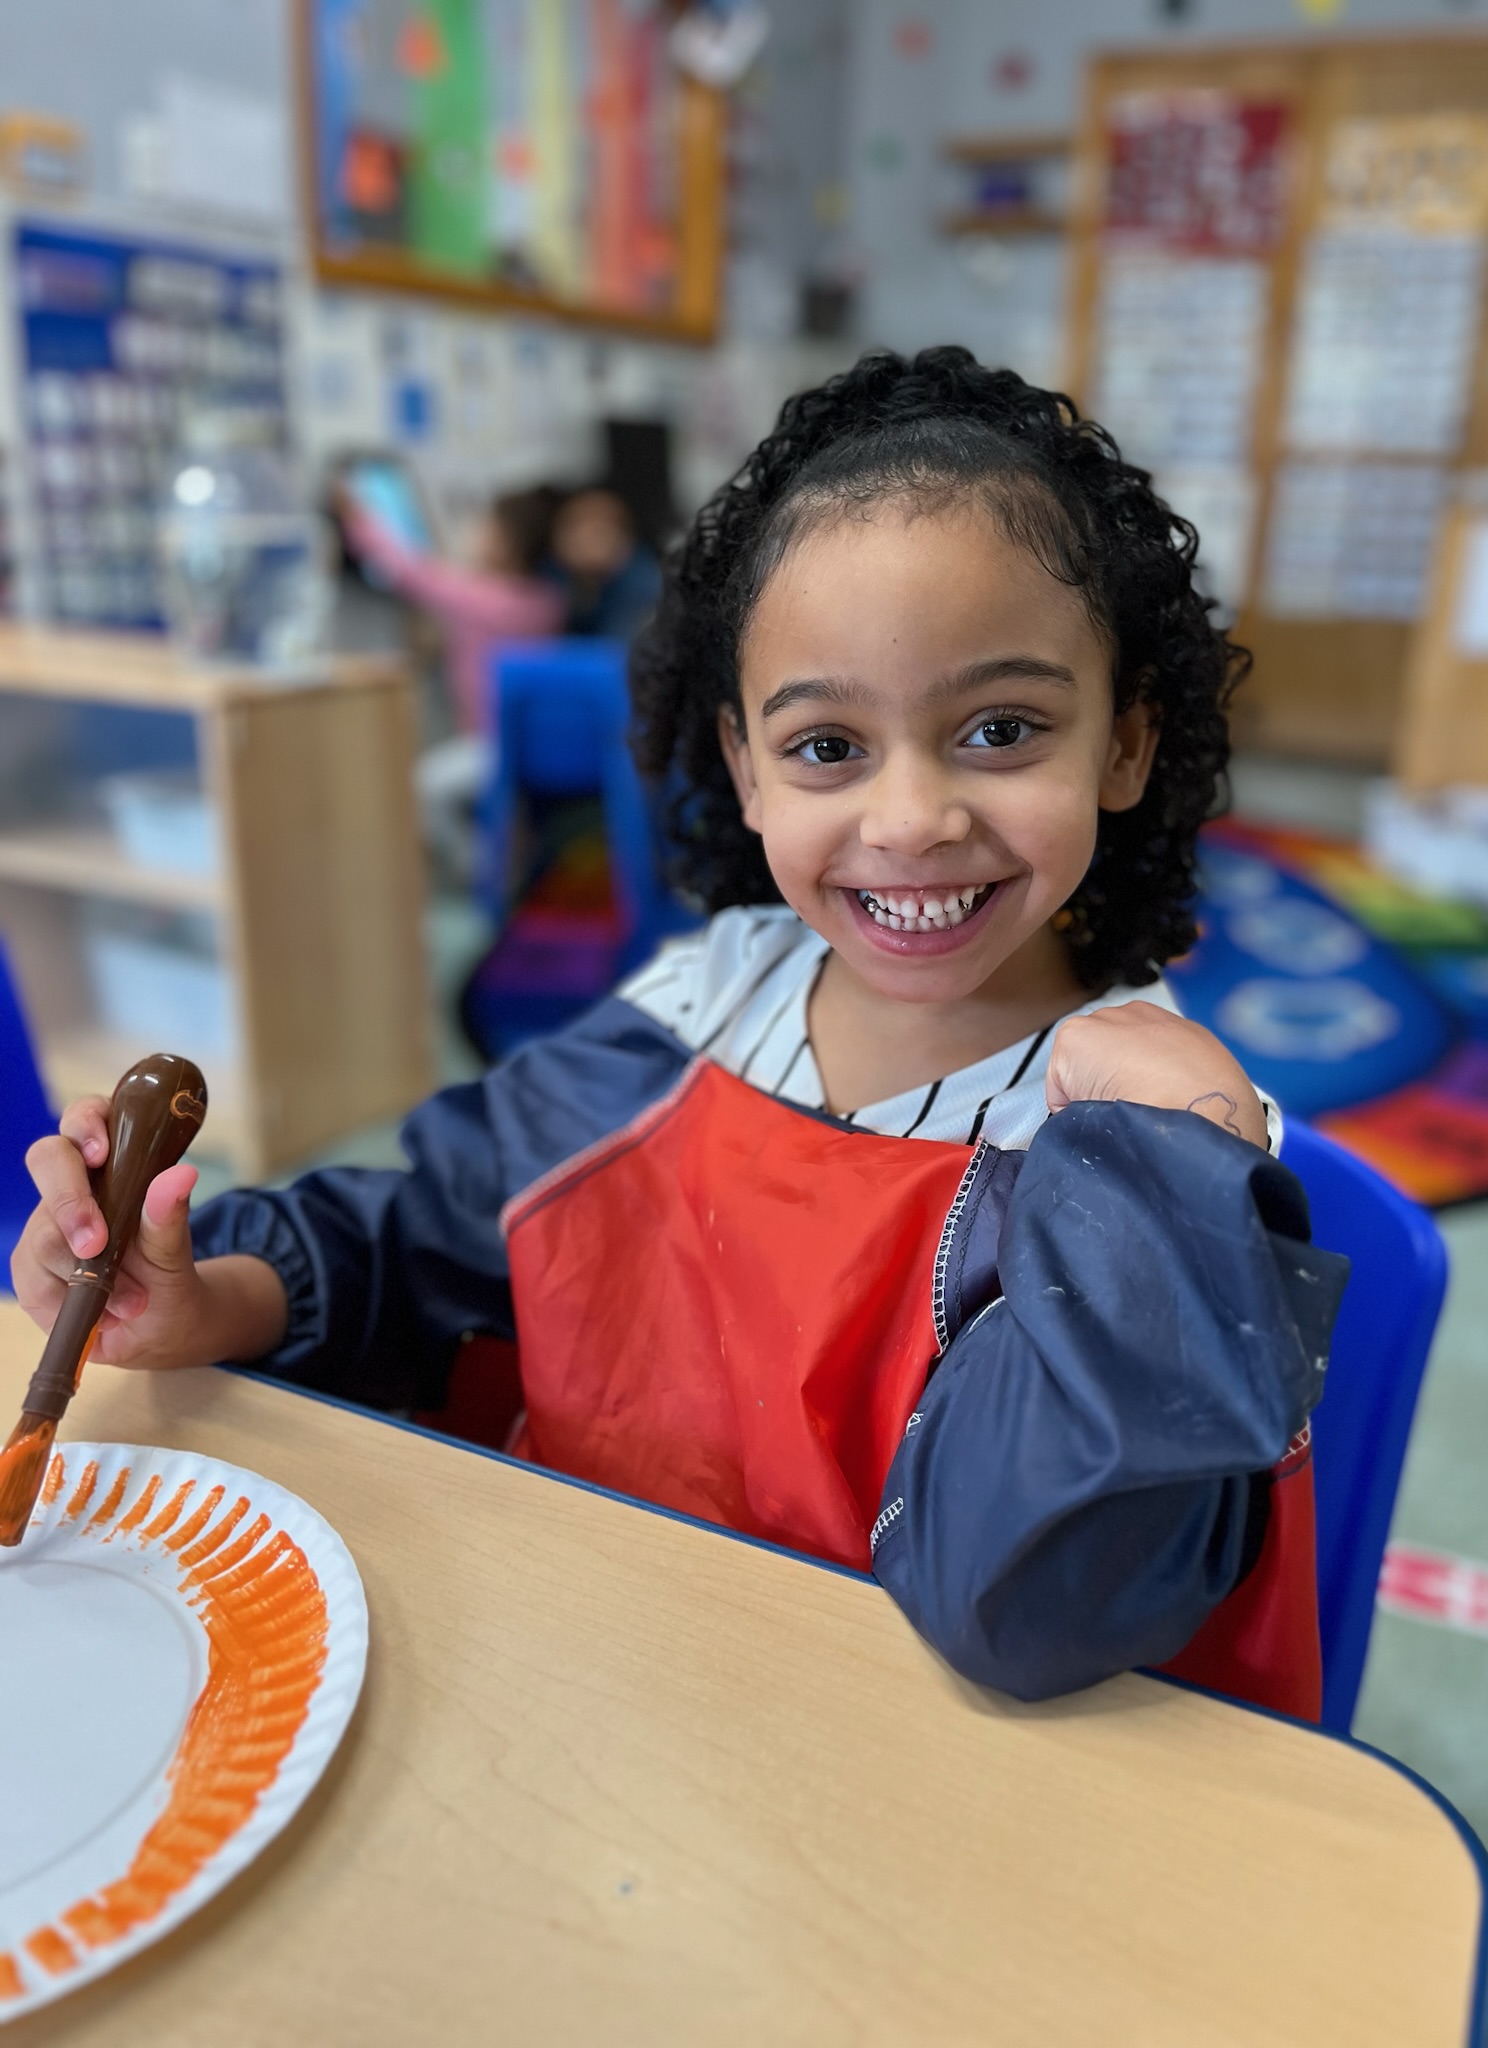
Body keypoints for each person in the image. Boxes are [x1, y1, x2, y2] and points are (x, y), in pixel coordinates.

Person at [13, 348, 1346, 1717]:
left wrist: (1160, 1172)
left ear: (1124, 744)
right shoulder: (706, 1009)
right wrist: (204, 1298)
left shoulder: (1158, 1146)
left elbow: (1041, 1603)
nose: (908, 821)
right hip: (588, 1690)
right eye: (829, 747)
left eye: (1001, 729)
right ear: (742, 769)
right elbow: (430, 1236)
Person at [340, 481, 565, 734]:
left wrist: (354, 516)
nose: (479, 535)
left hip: (486, 742)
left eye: (489, 527)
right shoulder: (549, 601)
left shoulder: (482, 599)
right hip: (529, 742)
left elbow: (408, 571)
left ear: (509, 543)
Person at [547, 485, 662, 643]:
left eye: (597, 533)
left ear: (623, 538)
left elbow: (619, 647)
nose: (584, 544)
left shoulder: (643, 581)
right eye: (573, 532)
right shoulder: (553, 575)